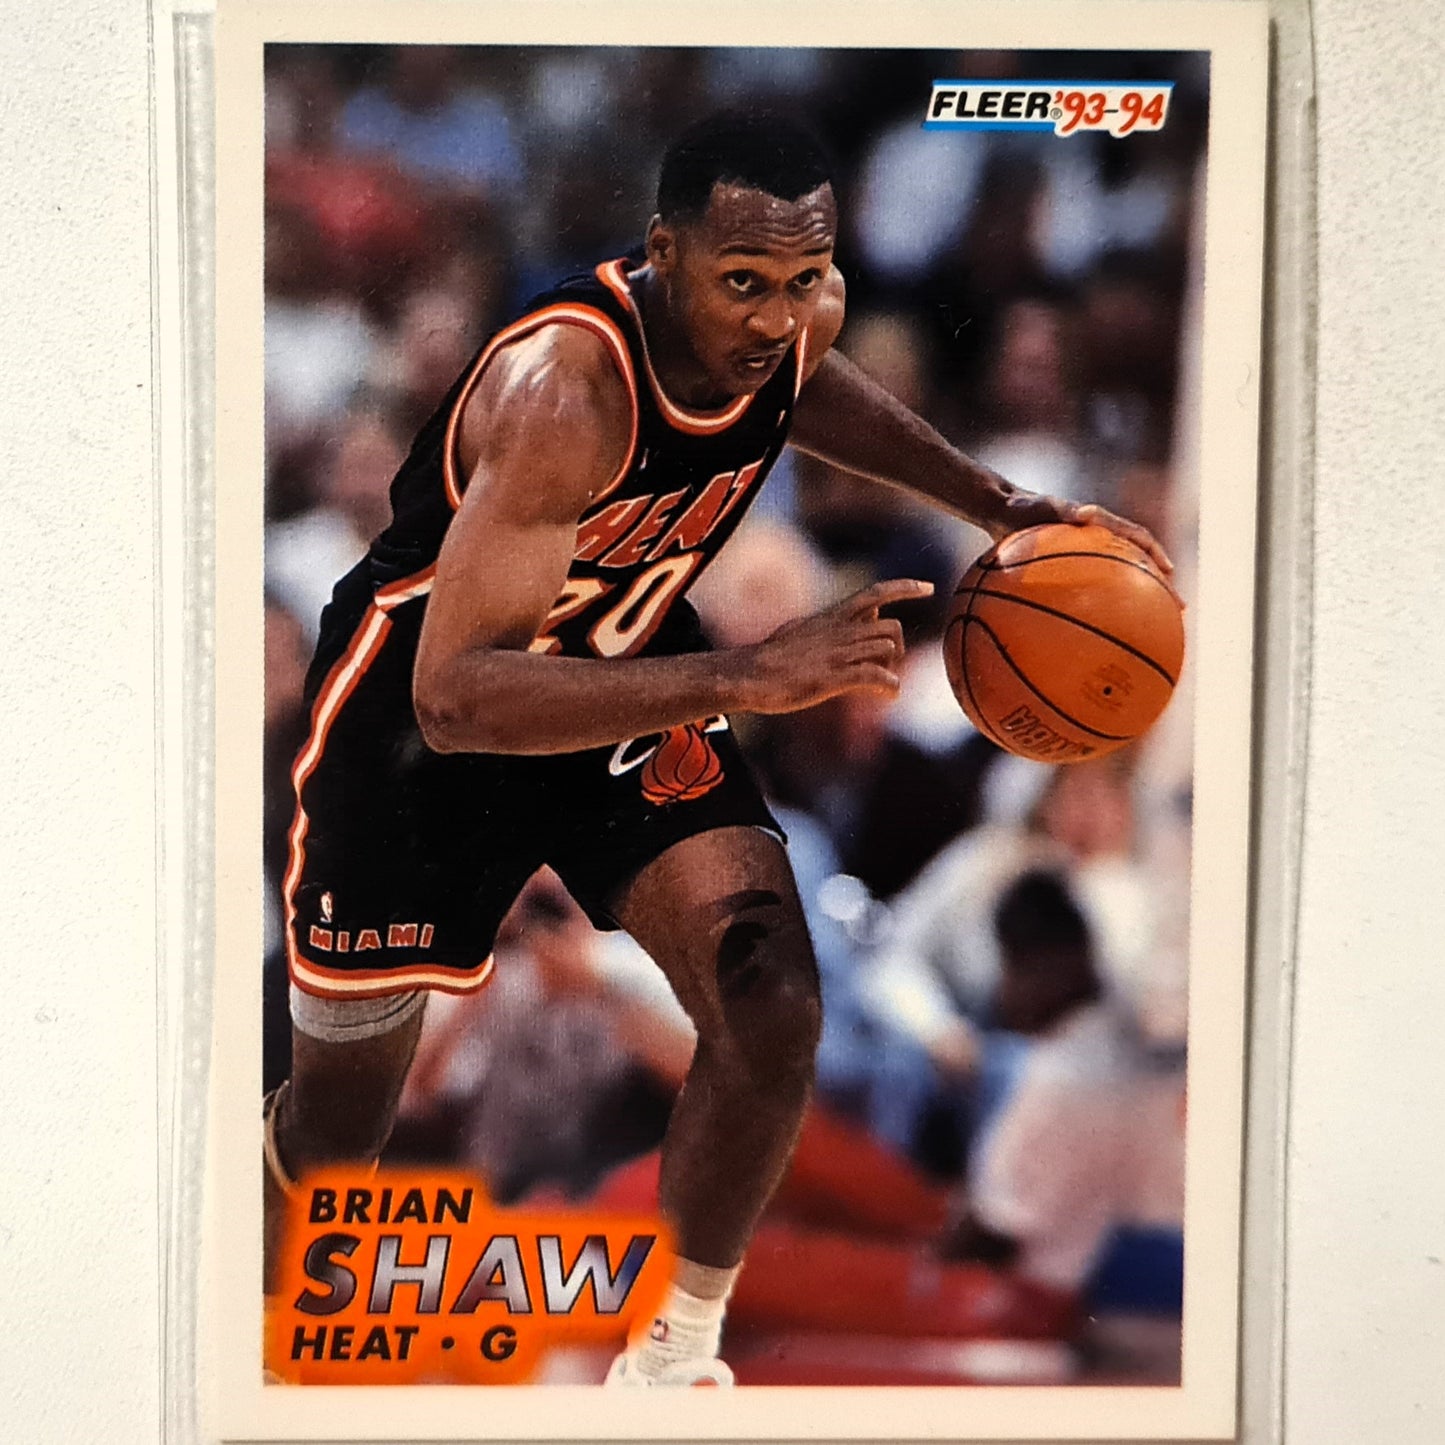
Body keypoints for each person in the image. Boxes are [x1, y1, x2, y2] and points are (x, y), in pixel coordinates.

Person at [263, 110, 1170, 1388]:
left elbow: (805, 389)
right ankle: (259, 1334)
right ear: (663, 252)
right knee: (337, 1130)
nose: (774, 316)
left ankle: (673, 1360)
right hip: (424, 726)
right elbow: (458, 695)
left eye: (803, 282)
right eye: (742, 282)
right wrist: (750, 672)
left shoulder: (794, 324)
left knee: (771, 1002)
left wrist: (994, 501)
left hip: (626, 680)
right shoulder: (565, 391)